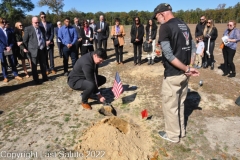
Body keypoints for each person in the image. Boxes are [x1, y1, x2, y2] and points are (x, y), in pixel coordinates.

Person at [152, 3, 199, 143]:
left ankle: (172, 136)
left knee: (170, 106)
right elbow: (193, 47)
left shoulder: (165, 27)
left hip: (173, 74)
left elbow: (168, 54)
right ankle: (181, 132)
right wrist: (189, 66)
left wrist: (186, 68)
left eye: (156, 18)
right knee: (180, 104)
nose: (157, 21)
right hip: (184, 75)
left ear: (161, 14)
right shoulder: (183, 24)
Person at [23, 16, 49, 85]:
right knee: (34, 66)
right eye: (36, 22)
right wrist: (27, 49)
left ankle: (45, 77)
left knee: (43, 64)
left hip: (42, 49)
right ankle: (36, 80)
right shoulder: (28, 29)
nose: (37, 24)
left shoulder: (42, 28)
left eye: (38, 22)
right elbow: (25, 41)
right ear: (32, 23)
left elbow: (43, 38)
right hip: (33, 51)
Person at [0, 17, 22, 82]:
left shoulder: (9, 30)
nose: (4, 24)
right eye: (2, 22)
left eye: (5, 22)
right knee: (4, 63)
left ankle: (15, 74)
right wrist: (5, 47)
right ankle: (5, 76)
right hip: (2, 49)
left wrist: (10, 46)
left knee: (12, 61)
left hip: (10, 48)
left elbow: (12, 39)